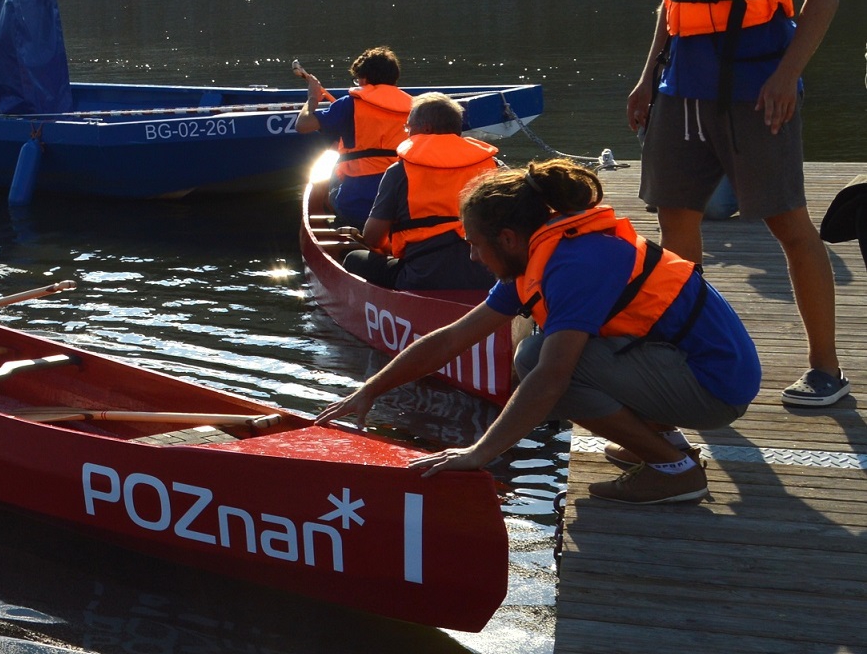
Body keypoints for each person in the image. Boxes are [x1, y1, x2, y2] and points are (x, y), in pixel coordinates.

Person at [316, 159, 761, 505]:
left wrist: (479, 453)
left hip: (714, 387)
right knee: (537, 355)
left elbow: (552, 379)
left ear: (508, 238)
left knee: (537, 362)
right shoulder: (541, 254)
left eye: (474, 242)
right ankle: (660, 440)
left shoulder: (574, 263)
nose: (471, 256)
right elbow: (453, 338)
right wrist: (370, 391)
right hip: (682, 367)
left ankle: (674, 470)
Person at [629, 0, 845, 407]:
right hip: (680, 88)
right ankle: (689, 354)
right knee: (674, 222)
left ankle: (825, 369)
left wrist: (786, 76)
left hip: (755, 89)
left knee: (788, 223)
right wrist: (647, 79)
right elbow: (674, 3)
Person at [340, 92, 499, 291]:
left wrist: (391, 248)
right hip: (487, 278)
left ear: (426, 128)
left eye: (408, 126)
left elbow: (372, 237)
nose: (406, 132)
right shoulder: (493, 165)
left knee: (354, 259)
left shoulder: (400, 171)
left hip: (422, 279)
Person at [295, 47, 413, 227]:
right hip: (403, 208)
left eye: (357, 80)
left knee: (331, 168)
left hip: (357, 207)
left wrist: (312, 98)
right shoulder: (416, 107)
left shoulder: (349, 104)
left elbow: (303, 125)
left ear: (364, 79)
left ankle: (343, 221)